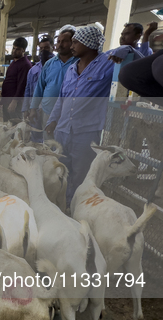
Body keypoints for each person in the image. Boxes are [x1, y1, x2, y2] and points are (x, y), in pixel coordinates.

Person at [45, 26, 116, 206]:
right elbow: (62, 98)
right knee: (62, 170)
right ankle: (62, 205)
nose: (72, 46)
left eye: (76, 42)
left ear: (90, 43)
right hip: (63, 130)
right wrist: (53, 120)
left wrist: (126, 49)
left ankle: (76, 208)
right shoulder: (71, 69)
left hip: (85, 132)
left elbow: (134, 55)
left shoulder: (107, 63)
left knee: (81, 173)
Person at [30, 25, 77, 133]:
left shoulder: (79, 63)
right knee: (48, 144)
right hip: (48, 112)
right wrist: (33, 108)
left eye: (64, 41)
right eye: (58, 41)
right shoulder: (49, 64)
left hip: (69, 115)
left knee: (64, 145)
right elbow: (39, 87)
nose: (60, 44)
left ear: (72, 43)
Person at [22, 35, 54, 139]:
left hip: (50, 110)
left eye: (47, 48)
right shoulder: (33, 69)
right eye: (41, 48)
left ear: (53, 47)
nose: (44, 51)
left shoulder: (57, 67)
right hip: (34, 109)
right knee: (34, 135)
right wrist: (25, 108)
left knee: (48, 136)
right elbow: (28, 90)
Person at [1, 37, 32, 121]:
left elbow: (22, 85)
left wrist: (15, 101)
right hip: (7, 99)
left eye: (17, 49)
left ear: (23, 50)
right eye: (13, 48)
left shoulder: (25, 65)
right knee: (7, 126)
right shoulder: (14, 62)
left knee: (15, 125)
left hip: (14, 102)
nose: (14, 51)